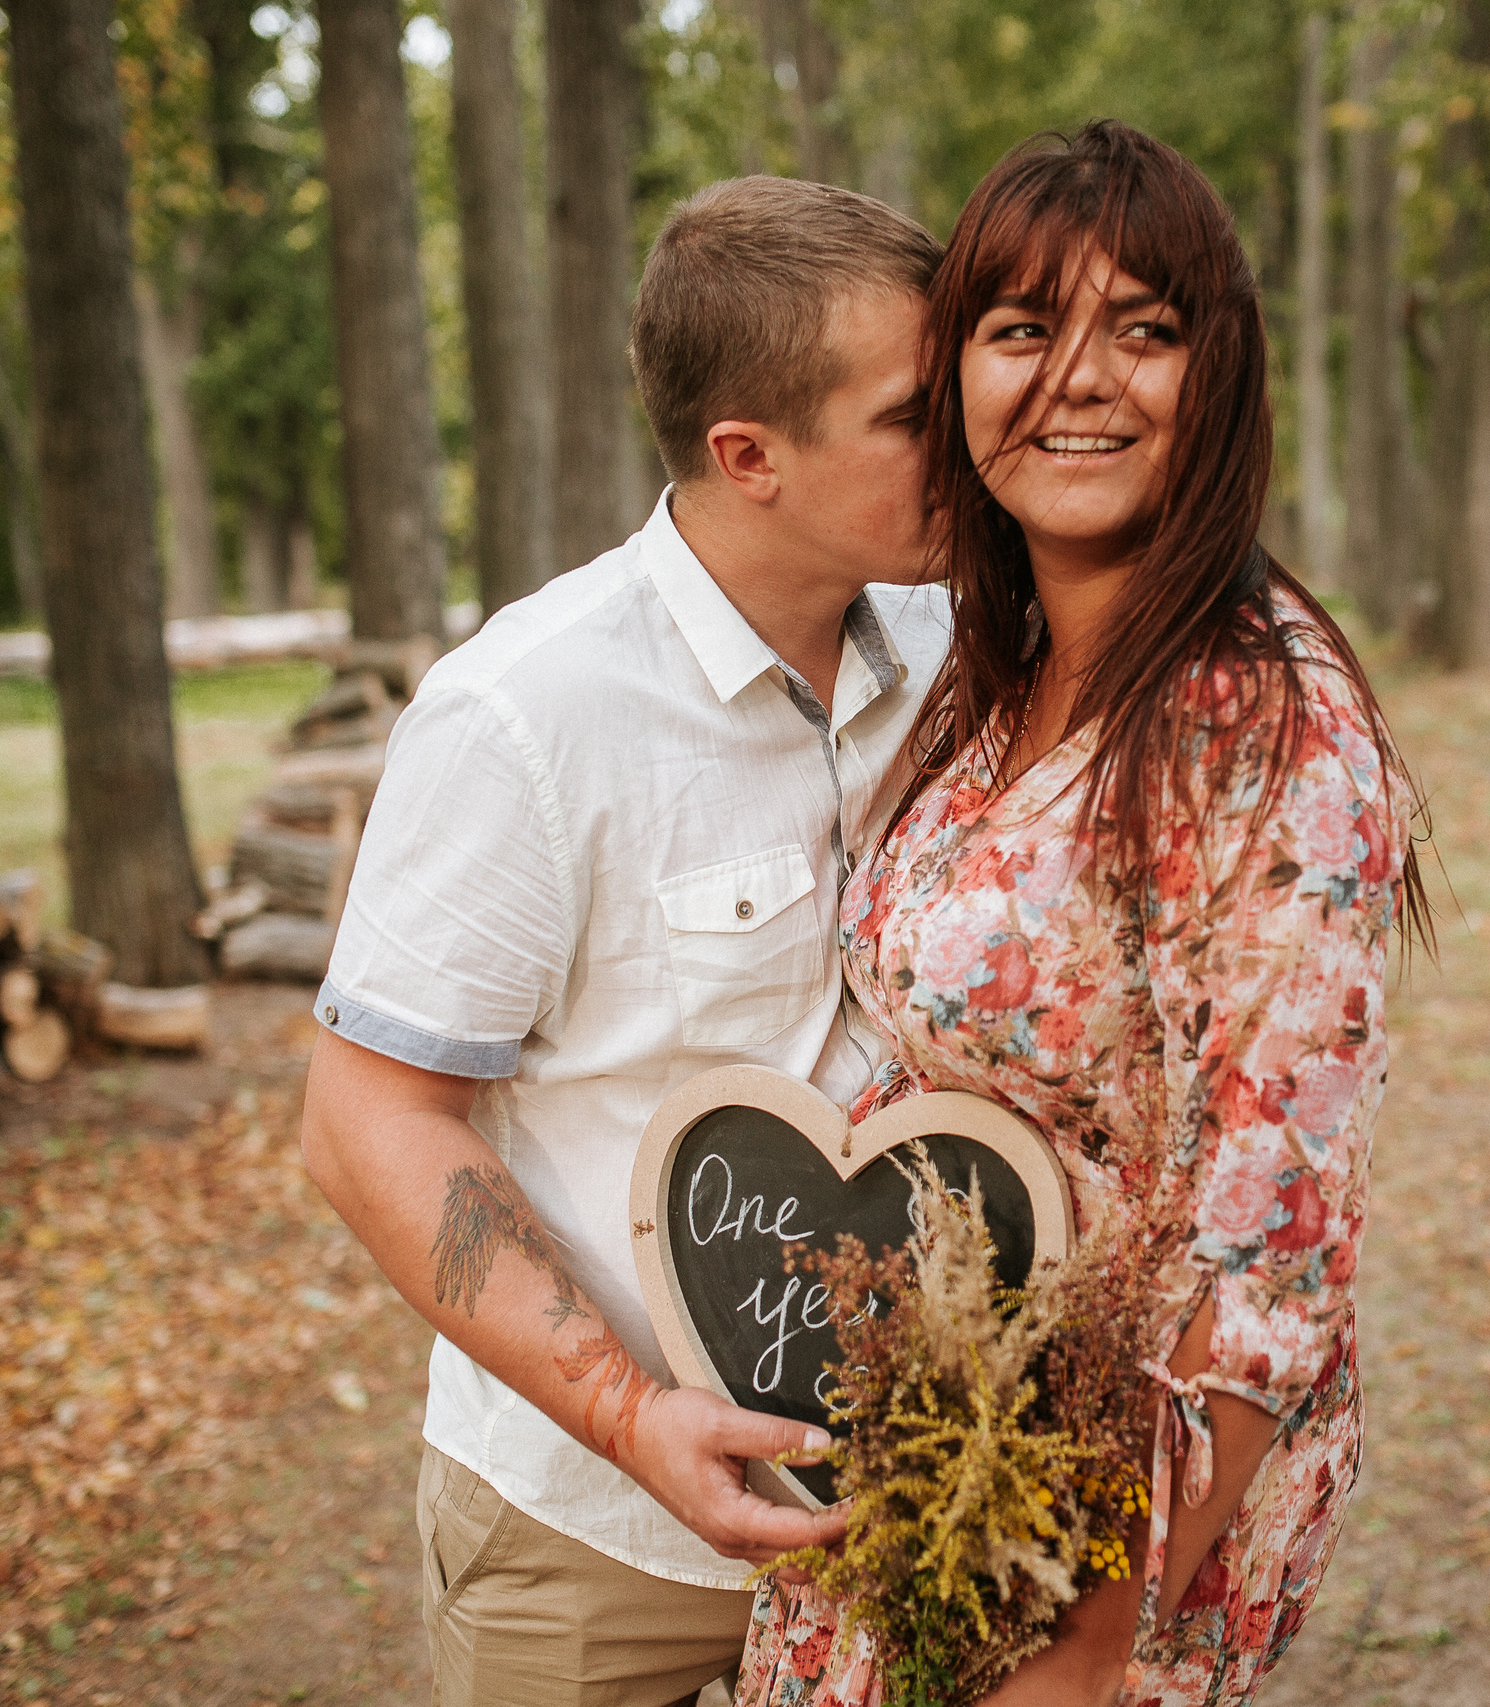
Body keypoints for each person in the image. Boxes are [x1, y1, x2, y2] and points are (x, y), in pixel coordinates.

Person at [735, 121, 1430, 1707]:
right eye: (1024, 329)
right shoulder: (984, 683)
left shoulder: (1261, 722)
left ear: (1220, 373)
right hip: (929, 1486)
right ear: (959, 375)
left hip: (1104, 1538)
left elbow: (1276, 1250)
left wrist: (1098, 1630)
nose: (1082, 380)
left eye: (1146, 329)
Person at [299, 176, 949, 1707]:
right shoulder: (521, 718)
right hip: (593, 1546)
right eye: (915, 415)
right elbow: (364, 1120)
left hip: (914, 1514)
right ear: (750, 456)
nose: (975, 442)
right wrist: (623, 1414)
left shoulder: (958, 642)